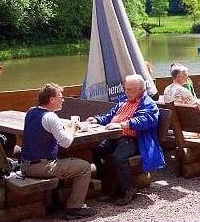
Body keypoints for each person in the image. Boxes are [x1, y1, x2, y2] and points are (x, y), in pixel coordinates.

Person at [87, 74, 164, 206]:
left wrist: (123, 124)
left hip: (135, 139)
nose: (127, 92)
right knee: (96, 151)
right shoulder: (123, 101)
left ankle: (128, 189)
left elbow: (146, 120)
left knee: (119, 157)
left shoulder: (148, 104)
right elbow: (110, 116)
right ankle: (109, 187)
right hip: (115, 137)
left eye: (130, 90)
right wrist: (97, 119)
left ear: (141, 89)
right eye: (126, 89)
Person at [20, 83, 95, 220]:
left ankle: (57, 200)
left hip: (25, 165)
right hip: (42, 167)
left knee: (69, 160)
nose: (63, 99)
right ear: (52, 100)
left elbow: (44, 131)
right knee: (84, 167)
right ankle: (74, 208)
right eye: (60, 97)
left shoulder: (31, 111)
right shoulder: (50, 117)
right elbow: (66, 143)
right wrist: (74, 127)